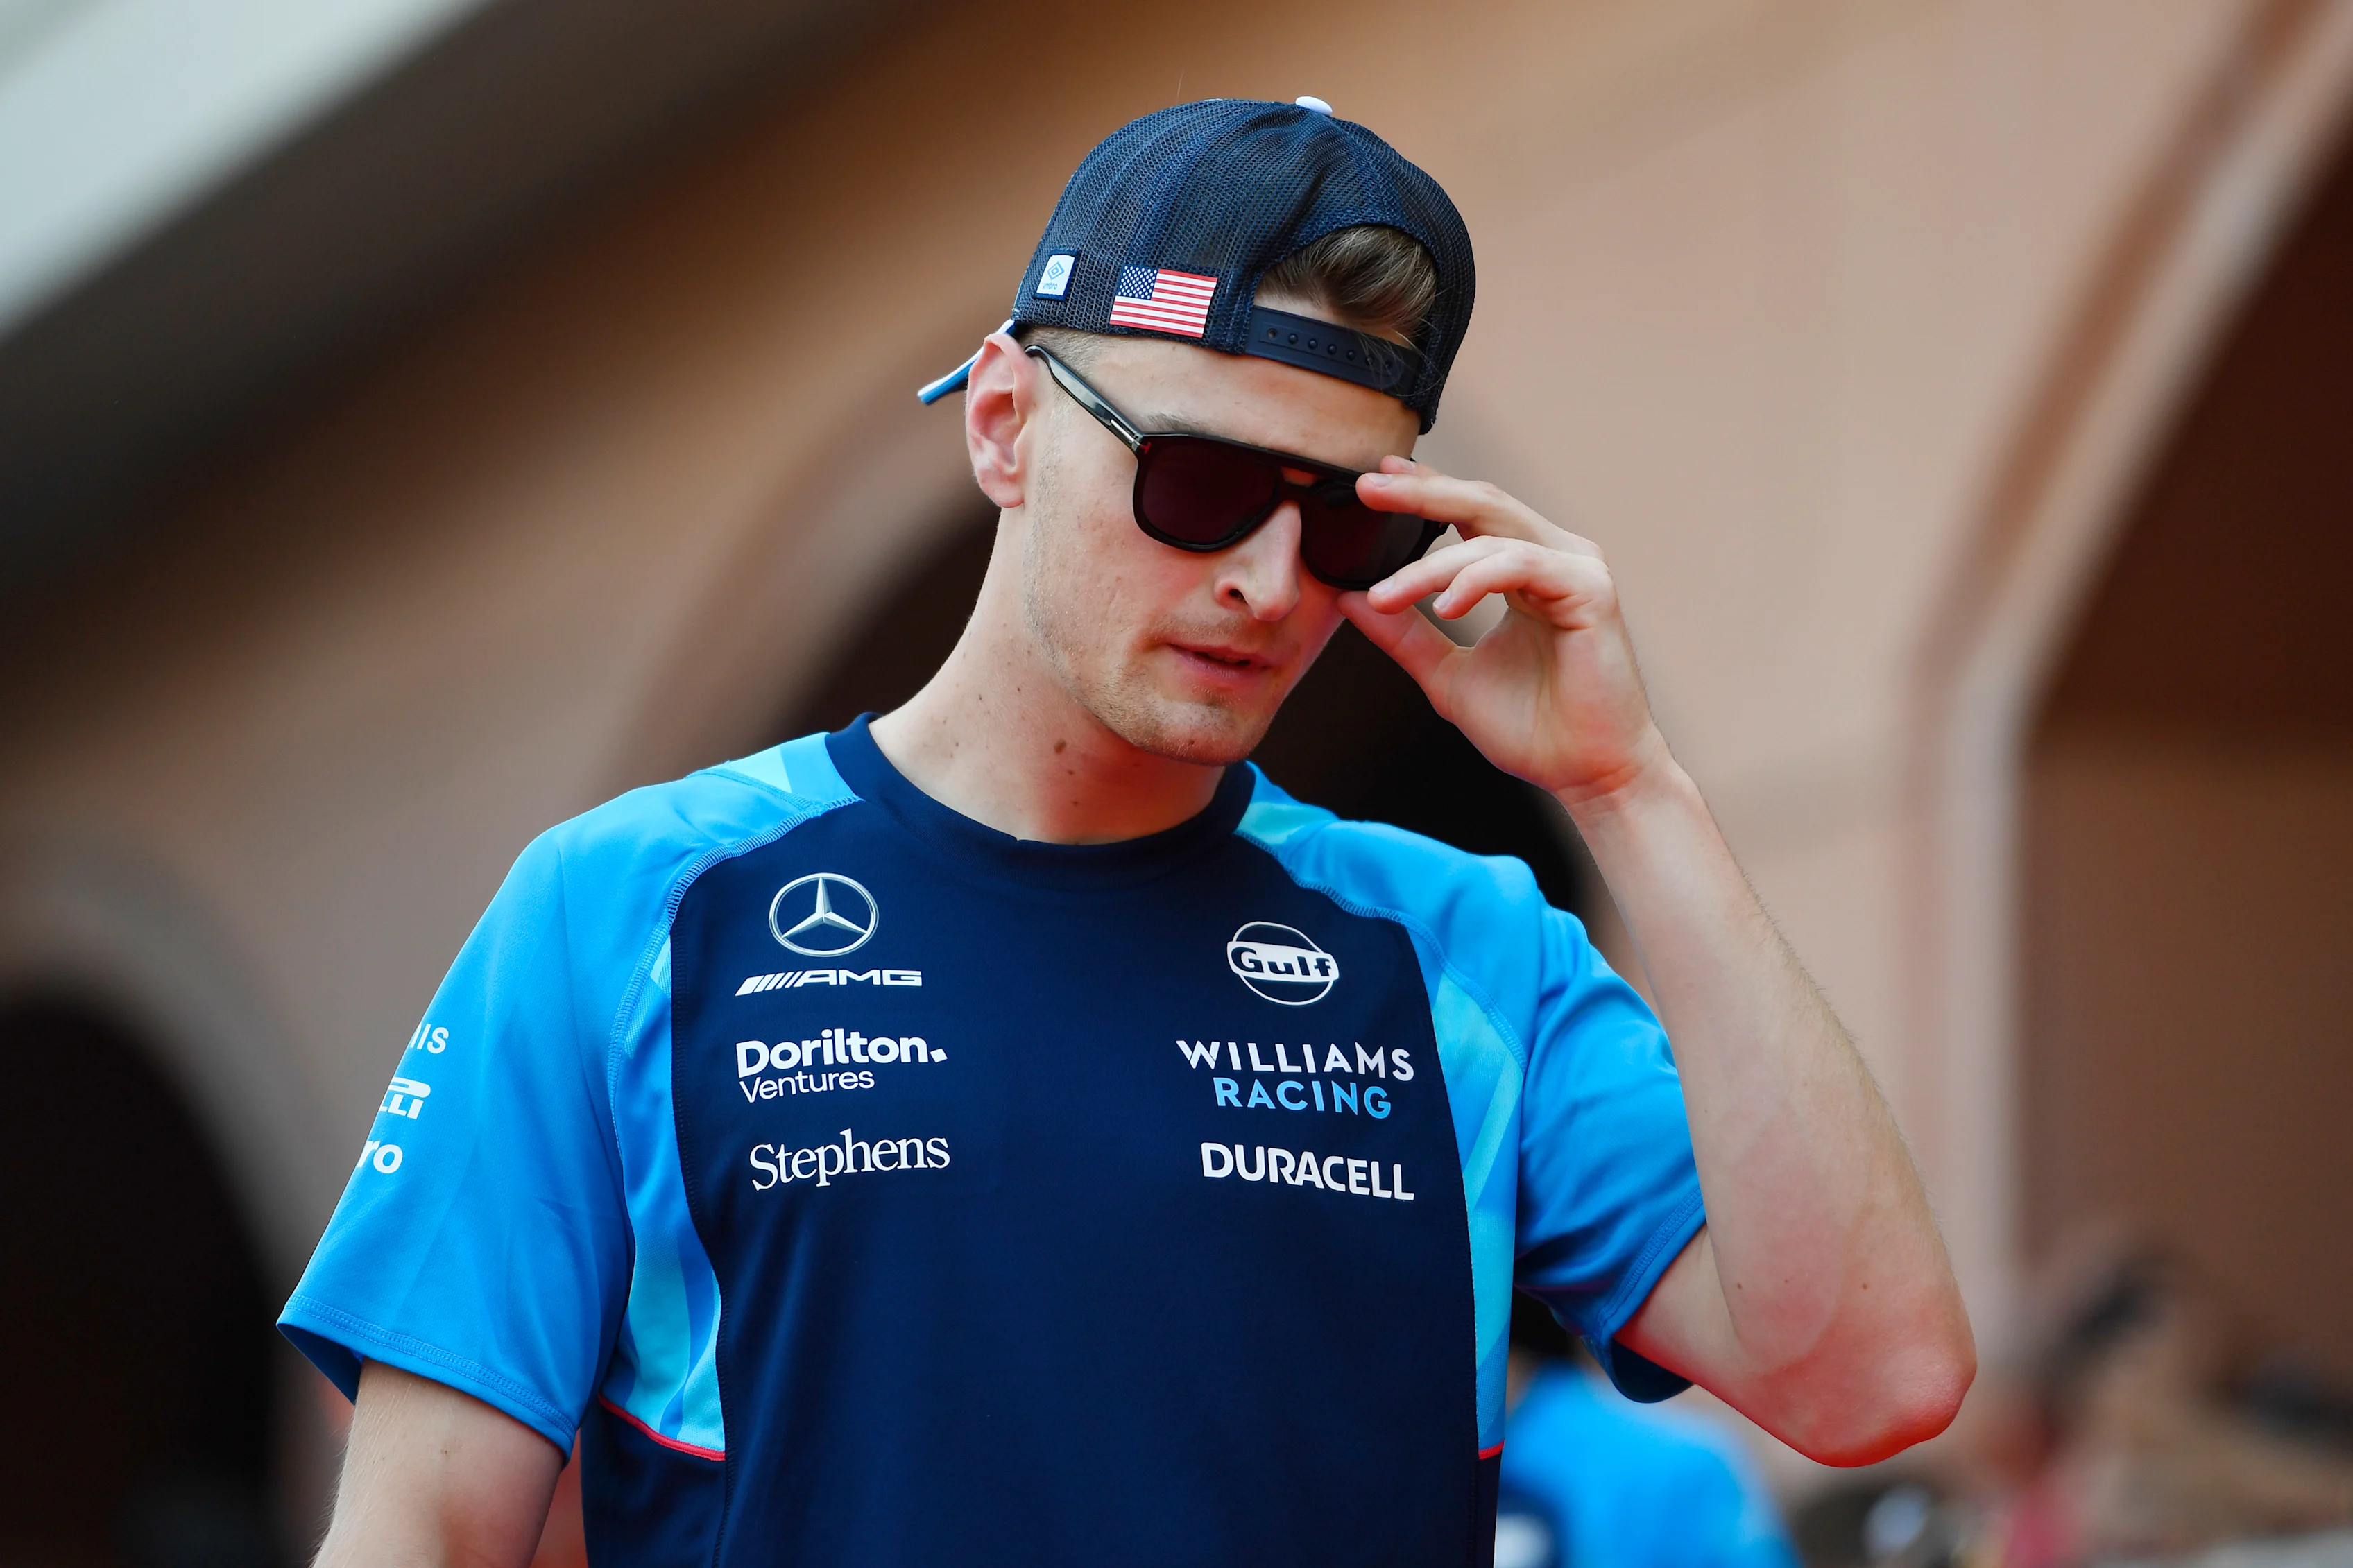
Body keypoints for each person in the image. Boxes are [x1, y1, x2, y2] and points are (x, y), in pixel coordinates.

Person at [282, 98, 1974, 1567]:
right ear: (1003, 421)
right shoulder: (632, 909)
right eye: (1197, 484)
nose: (1260, 579)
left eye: (1338, 525)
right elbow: (423, 1529)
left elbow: (1872, 1375)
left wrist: (1628, 788)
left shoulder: (1459, 953)